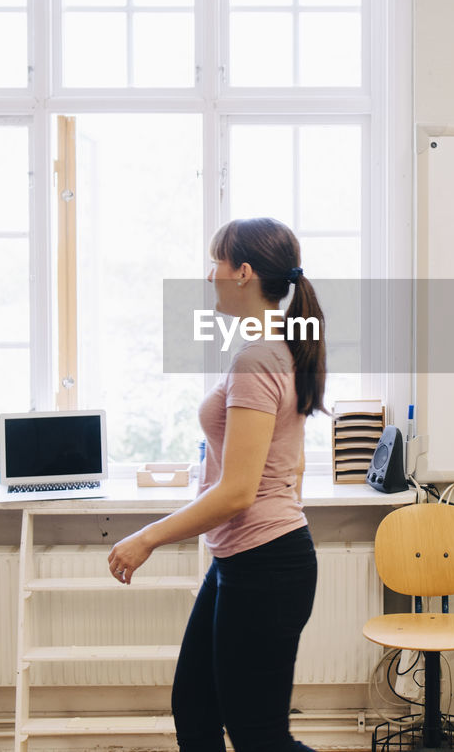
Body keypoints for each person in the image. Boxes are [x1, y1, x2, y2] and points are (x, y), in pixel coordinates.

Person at [107, 216, 327, 752]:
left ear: (244, 272)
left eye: (216, 263)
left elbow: (236, 493)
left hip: (266, 565)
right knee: (197, 708)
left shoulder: (259, 358)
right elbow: (286, 463)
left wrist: (146, 538)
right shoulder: (281, 347)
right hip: (249, 559)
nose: (210, 276)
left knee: (259, 736)